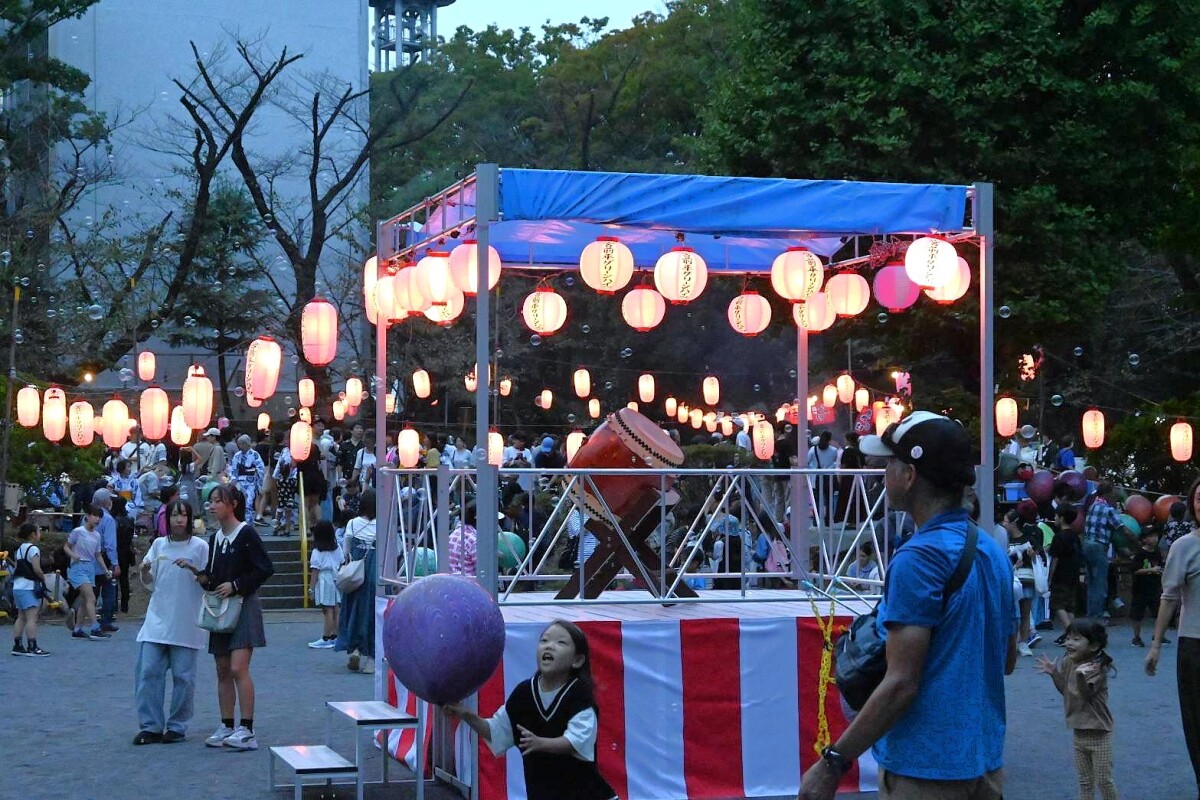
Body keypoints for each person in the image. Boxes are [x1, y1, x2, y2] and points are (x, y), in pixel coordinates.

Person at [799, 411, 1016, 800]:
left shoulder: (919, 558)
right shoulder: (991, 549)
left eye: (889, 464)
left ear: (910, 475)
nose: (883, 473)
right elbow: (1008, 660)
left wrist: (833, 763)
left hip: (925, 769)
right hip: (984, 763)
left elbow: (901, 684)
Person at [444, 620, 618, 800]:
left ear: (577, 660)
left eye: (561, 642)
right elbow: (497, 732)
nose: (549, 646)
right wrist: (465, 714)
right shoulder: (524, 693)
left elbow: (576, 742)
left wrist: (541, 743)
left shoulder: (580, 695)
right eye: (544, 641)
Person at [179, 483, 274, 751]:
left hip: (243, 605)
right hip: (221, 608)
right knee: (222, 669)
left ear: (232, 504)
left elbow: (265, 568)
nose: (212, 506)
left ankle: (247, 728)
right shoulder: (215, 538)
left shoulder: (246, 534)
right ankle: (227, 724)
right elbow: (213, 577)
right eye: (210, 501)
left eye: (218, 501)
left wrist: (236, 585)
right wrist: (199, 573)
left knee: (237, 668)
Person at [133, 500, 209, 745]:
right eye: (174, 515)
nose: (179, 520)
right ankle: (150, 725)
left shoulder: (200, 547)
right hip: (157, 618)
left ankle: (177, 726)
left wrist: (194, 570)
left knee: (183, 677)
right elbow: (150, 583)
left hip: (186, 621)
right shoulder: (158, 545)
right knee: (147, 672)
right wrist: (144, 570)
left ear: (190, 519)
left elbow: (209, 580)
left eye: (183, 515)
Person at [1146, 475, 1200, 796]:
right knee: (1196, 721)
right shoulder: (1183, 547)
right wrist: (1155, 645)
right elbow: (1169, 598)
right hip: (1193, 644)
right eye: (1198, 498)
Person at [1034, 620, 1117, 800]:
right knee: (1085, 781)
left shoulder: (1097, 668)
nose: (1069, 643)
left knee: (1104, 780)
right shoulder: (1069, 662)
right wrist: (1054, 673)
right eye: (1068, 638)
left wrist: (1080, 676)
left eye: (1076, 639)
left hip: (1099, 733)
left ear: (1094, 646)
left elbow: (1085, 694)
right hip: (1079, 732)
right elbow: (1067, 691)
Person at [336, 488, 377, 675]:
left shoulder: (352, 523)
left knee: (352, 610)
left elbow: (345, 548)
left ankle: (354, 649)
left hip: (355, 573)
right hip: (373, 571)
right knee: (372, 614)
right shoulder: (382, 524)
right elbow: (397, 548)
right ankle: (371, 659)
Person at [1081, 481, 1129, 618]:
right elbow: (1122, 529)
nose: (1114, 495)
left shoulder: (1092, 507)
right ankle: (1097, 618)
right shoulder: (1108, 510)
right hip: (1099, 547)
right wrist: (1136, 543)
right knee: (1100, 586)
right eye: (1113, 492)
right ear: (1107, 493)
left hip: (1087, 545)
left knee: (1091, 584)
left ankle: (1090, 615)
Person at [65, 504, 111, 641]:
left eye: (99, 517)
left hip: (90, 567)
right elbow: (66, 547)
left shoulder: (97, 535)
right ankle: (95, 627)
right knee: (91, 598)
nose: (97, 519)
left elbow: (98, 555)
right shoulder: (78, 531)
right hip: (78, 567)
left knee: (85, 600)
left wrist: (105, 570)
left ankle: (78, 629)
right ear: (87, 516)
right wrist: (73, 555)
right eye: (95, 516)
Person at [11, 522, 49, 656]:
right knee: (32, 617)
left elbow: (16, 567)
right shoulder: (34, 549)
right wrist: (43, 578)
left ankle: (17, 645)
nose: (40, 533)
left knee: (21, 616)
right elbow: (36, 568)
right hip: (28, 586)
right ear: (33, 534)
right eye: (39, 531)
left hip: (17, 585)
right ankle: (32, 646)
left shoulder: (19, 549)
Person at [1048, 506, 1083, 644]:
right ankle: (1070, 633)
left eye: (1056, 516)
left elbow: (1055, 559)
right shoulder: (1075, 536)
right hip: (1073, 574)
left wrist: (1050, 576)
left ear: (1062, 518)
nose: (1055, 519)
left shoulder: (1058, 537)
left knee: (1058, 604)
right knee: (1070, 606)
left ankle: (1071, 632)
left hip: (1060, 575)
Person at [89, 488, 121, 633]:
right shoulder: (108, 519)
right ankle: (105, 621)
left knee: (91, 592)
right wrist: (115, 563)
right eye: (110, 499)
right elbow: (110, 544)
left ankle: (88, 620)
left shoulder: (86, 517)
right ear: (106, 501)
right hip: (103, 559)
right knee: (108, 590)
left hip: (87, 559)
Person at [1130, 527, 1165, 647]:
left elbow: (1160, 565)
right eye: (1151, 536)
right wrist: (1151, 570)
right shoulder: (1140, 553)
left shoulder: (1157, 552)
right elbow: (1135, 570)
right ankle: (1136, 637)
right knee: (1137, 614)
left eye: (1155, 536)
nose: (1154, 539)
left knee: (1159, 612)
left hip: (1154, 587)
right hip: (1140, 588)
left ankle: (1158, 635)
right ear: (1144, 539)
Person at [226, 435, 266, 526]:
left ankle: (248, 524)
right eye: (239, 444)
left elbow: (261, 468)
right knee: (239, 502)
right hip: (239, 482)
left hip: (251, 481)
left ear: (247, 444)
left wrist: (259, 479)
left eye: (242, 444)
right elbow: (233, 469)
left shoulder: (255, 454)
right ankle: (239, 522)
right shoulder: (237, 455)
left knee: (248, 502)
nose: (240, 446)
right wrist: (233, 479)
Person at [112, 495, 137, 614]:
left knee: (113, 579)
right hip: (126, 552)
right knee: (124, 579)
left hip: (116, 551)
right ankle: (125, 605)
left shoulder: (114, 521)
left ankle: (113, 603)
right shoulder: (130, 519)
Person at [449, 501, 478, 577]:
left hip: (448, 583)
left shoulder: (453, 534)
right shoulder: (474, 540)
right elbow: (484, 568)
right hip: (468, 585)